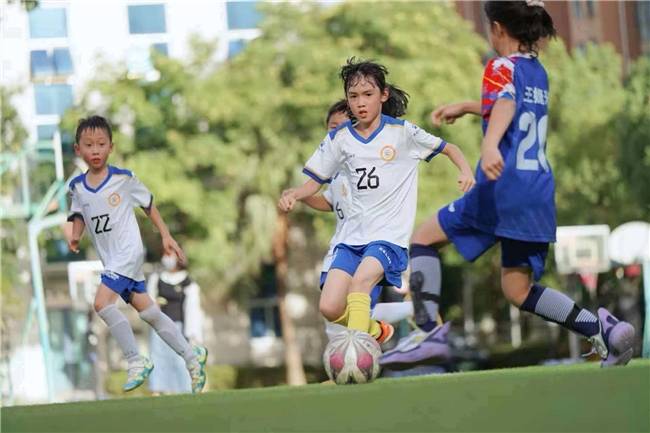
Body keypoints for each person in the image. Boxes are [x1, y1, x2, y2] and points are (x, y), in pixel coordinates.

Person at [380, 0, 635, 369]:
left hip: (502, 190)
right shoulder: (537, 71)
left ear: (497, 27)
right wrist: (468, 107)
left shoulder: (500, 66)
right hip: (537, 195)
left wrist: (489, 144)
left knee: (423, 238)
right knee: (518, 290)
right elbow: (514, 104)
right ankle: (602, 330)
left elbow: (505, 104)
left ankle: (427, 334)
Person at [279, 58, 475, 345]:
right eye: (353, 96)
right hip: (350, 239)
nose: (360, 102)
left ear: (383, 95)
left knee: (360, 284)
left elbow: (450, 148)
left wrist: (466, 171)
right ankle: (376, 331)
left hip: (388, 237)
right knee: (330, 307)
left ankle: (357, 353)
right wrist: (295, 194)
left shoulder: (403, 133)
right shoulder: (339, 139)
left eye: (368, 94)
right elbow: (315, 182)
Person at [67, 115, 208, 393]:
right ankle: (192, 357)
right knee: (150, 313)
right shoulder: (77, 187)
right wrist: (75, 235)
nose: (95, 150)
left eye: (101, 144)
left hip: (129, 253)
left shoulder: (124, 179)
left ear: (111, 147)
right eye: (89, 145)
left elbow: (149, 205)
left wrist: (166, 235)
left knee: (101, 303)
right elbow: (79, 213)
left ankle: (135, 360)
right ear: (78, 149)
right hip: (112, 260)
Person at [147, 254, 204, 394]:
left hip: (179, 326)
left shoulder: (187, 281)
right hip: (160, 327)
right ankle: (158, 390)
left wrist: (193, 334)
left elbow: (192, 308)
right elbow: (149, 299)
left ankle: (184, 390)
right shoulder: (157, 279)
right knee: (159, 357)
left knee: (180, 360)